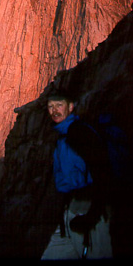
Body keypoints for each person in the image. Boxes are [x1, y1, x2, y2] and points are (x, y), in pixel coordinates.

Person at [41, 89, 113, 260]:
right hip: (70, 214)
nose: (55, 110)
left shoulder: (80, 133)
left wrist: (92, 215)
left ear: (71, 107)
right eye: (50, 106)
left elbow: (103, 173)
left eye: (59, 105)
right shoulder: (63, 136)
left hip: (90, 213)